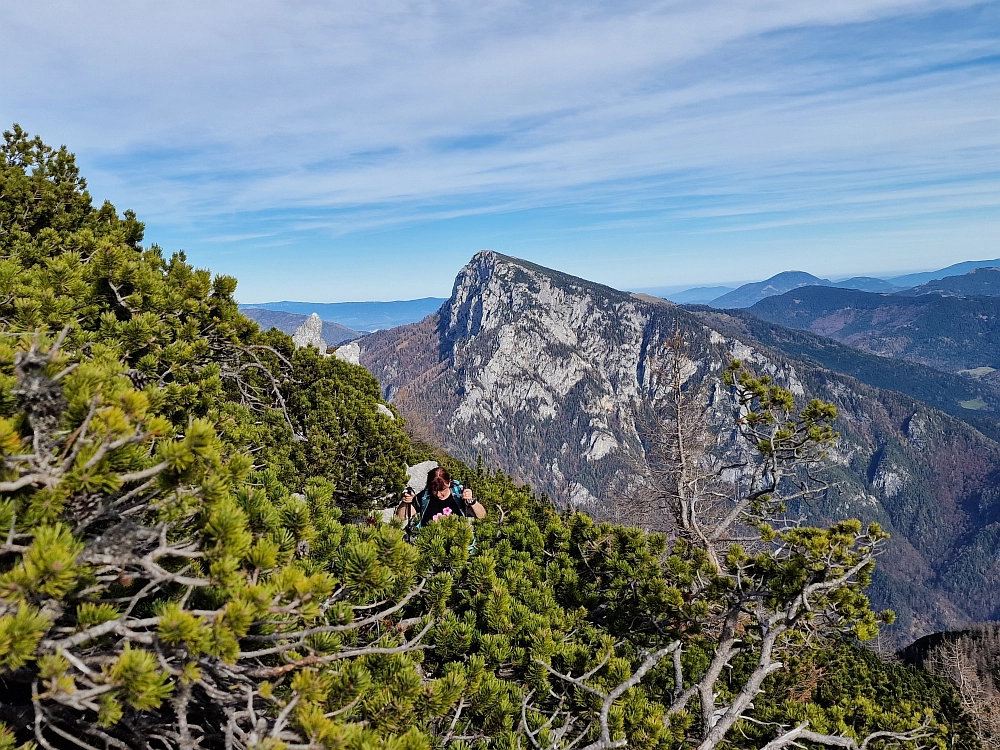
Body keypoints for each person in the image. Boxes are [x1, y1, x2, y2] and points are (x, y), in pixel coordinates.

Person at [395, 466, 486, 527]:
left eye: (442, 489)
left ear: (449, 483)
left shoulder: (459, 496)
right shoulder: (424, 497)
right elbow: (401, 517)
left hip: (456, 544)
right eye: (434, 490)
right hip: (429, 543)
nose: (438, 494)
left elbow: (482, 516)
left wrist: (471, 501)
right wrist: (405, 502)